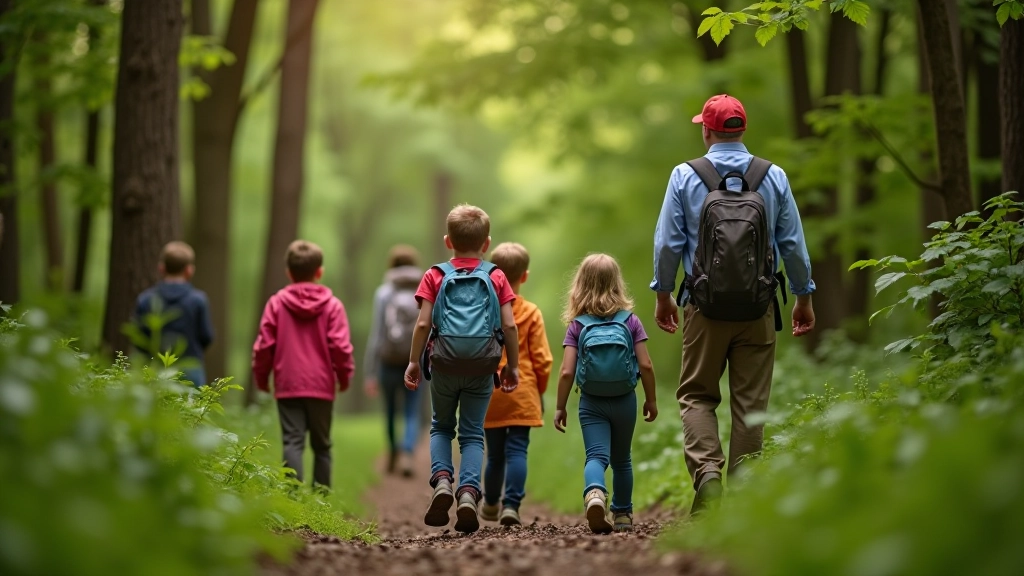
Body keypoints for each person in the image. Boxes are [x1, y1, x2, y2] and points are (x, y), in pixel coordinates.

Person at [651, 94, 816, 516]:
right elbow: (792, 244)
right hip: (758, 307)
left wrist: (664, 294)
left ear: (706, 130)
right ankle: (744, 502)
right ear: (742, 130)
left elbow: (668, 243)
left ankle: (708, 475)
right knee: (751, 405)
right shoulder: (773, 175)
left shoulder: (685, 176)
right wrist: (803, 296)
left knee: (696, 395)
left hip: (703, 307)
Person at [405, 204, 520, 534]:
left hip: (443, 363)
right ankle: (469, 493)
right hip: (483, 365)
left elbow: (423, 322)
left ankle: (442, 480)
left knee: (441, 426)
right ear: (486, 244)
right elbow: (510, 327)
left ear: (447, 240)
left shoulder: (435, 275)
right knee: (472, 434)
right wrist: (511, 366)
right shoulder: (496, 275)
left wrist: (414, 361)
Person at [553, 253, 658, 534]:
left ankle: (595, 494)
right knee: (622, 459)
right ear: (617, 284)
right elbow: (646, 364)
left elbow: (566, 372)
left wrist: (560, 406)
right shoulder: (630, 322)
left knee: (596, 457)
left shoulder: (577, 326)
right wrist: (651, 399)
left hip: (591, 402)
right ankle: (623, 514)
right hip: (625, 398)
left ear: (580, 285)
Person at [252, 240, 355, 490]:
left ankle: (292, 496)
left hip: (288, 383)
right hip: (321, 384)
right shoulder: (333, 306)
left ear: (289, 272)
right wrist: (344, 376)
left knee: (292, 441)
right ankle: (322, 496)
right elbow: (340, 347)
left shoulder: (276, 304)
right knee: (322, 445)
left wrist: (262, 377)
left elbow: (264, 345)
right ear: (319, 271)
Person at [480, 242, 553, 527]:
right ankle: (511, 505)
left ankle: (489, 502)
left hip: (490, 389)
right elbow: (543, 360)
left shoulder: (484, 311)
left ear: (492, 274)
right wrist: (539, 390)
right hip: (522, 389)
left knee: (494, 454)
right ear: (525, 276)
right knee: (518, 449)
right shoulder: (531, 312)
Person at [364, 244, 425, 477]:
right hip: (415, 360)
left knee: (390, 410)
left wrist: (370, 371)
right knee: (412, 410)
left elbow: (377, 334)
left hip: (388, 360)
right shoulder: (423, 289)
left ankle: (392, 452)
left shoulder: (383, 293)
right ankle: (408, 452)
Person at [135, 241, 214, 387]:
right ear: (189, 270)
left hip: (153, 370)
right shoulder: (198, 300)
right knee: (192, 409)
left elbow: (138, 337)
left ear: (161, 268)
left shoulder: (146, 299)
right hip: (190, 369)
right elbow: (206, 336)